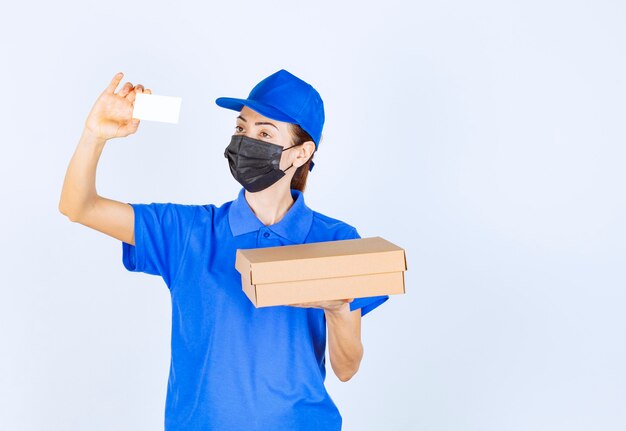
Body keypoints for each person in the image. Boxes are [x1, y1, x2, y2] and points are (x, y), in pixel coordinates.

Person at [59, 69, 389, 430]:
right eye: (241, 128)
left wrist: (338, 307)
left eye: (265, 133)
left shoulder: (337, 242)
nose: (247, 140)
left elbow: (346, 369)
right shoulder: (187, 232)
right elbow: (79, 207)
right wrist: (95, 135)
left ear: (301, 153)